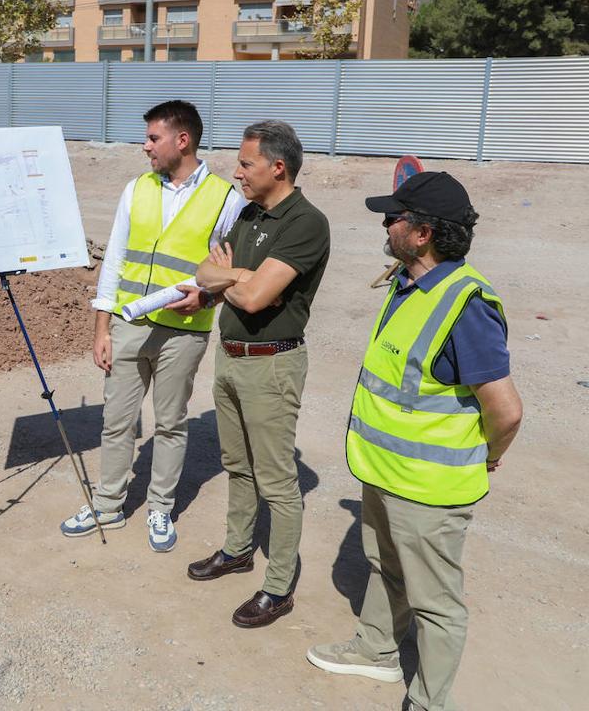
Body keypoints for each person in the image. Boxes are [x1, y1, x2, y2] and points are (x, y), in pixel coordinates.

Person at [306, 171, 522, 711]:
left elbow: (507, 410)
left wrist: (489, 454)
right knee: (385, 566)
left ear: (423, 233)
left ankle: (428, 701)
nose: (385, 223)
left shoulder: (465, 306)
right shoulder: (410, 284)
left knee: (436, 603)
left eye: (394, 217)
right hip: (384, 472)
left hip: (427, 488)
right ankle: (378, 650)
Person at [58, 100, 246, 552]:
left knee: (170, 423)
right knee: (116, 420)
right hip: (129, 326)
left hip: (184, 333)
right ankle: (108, 504)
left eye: (153, 138)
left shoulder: (228, 199)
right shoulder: (136, 188)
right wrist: (101, 329)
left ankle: (160, 508)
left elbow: (234, 271)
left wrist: (209, 295)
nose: (146, 147)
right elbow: (115, 262)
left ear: (182, 140)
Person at [186, 120, 330, 628]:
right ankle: (238, 549)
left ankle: (278, 586)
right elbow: (205, 272)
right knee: (237, 465)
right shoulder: (248, 213)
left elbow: (251, 297)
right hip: (230, 356)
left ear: (278, 167)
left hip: (272, 363)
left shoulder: (305, 222)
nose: (237, 172)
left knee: (276, 481)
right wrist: (238, 276)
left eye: (246, 164)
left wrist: (237, 279)